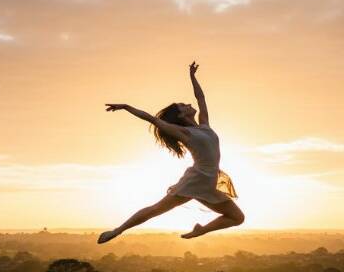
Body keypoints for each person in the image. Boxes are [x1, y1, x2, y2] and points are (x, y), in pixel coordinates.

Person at [98, 61, 244, 244]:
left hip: (209, 183)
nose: (188, 104)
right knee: (156, 209)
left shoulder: (204, 125)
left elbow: (201, 99)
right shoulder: (184, 132)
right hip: (197, 179)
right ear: (181, 116)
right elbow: (151, 119)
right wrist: (127, 107)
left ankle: (201, 230)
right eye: (183, 105)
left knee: (237, 218)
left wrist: (192, 77)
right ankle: (117, 231)